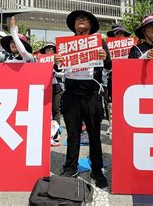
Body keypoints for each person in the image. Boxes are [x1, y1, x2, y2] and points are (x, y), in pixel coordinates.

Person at [55, 10, 111, 188]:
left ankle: (97, 169)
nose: (81, 20)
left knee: (94, 135)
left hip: (91, 94)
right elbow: (58, 66)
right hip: (71, 95)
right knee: (73, 135)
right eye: (78, 18)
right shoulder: (65, 44)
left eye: (84, 18)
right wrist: (56, 60)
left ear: (90, 24)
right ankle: (70, 167)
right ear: (73, 25)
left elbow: (110, 66)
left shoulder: (99, 42)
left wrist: (105, 58)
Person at [40, 42, 64, 146]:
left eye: (51, 49)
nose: (49, 50)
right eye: (47, 49)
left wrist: (54, 72)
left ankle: (55, 133)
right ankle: (46, 133)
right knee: (45, 110)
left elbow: (63, 72)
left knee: (55, 110)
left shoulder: (59, 60)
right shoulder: (41, 60)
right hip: (44, 86)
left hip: (56, 86)